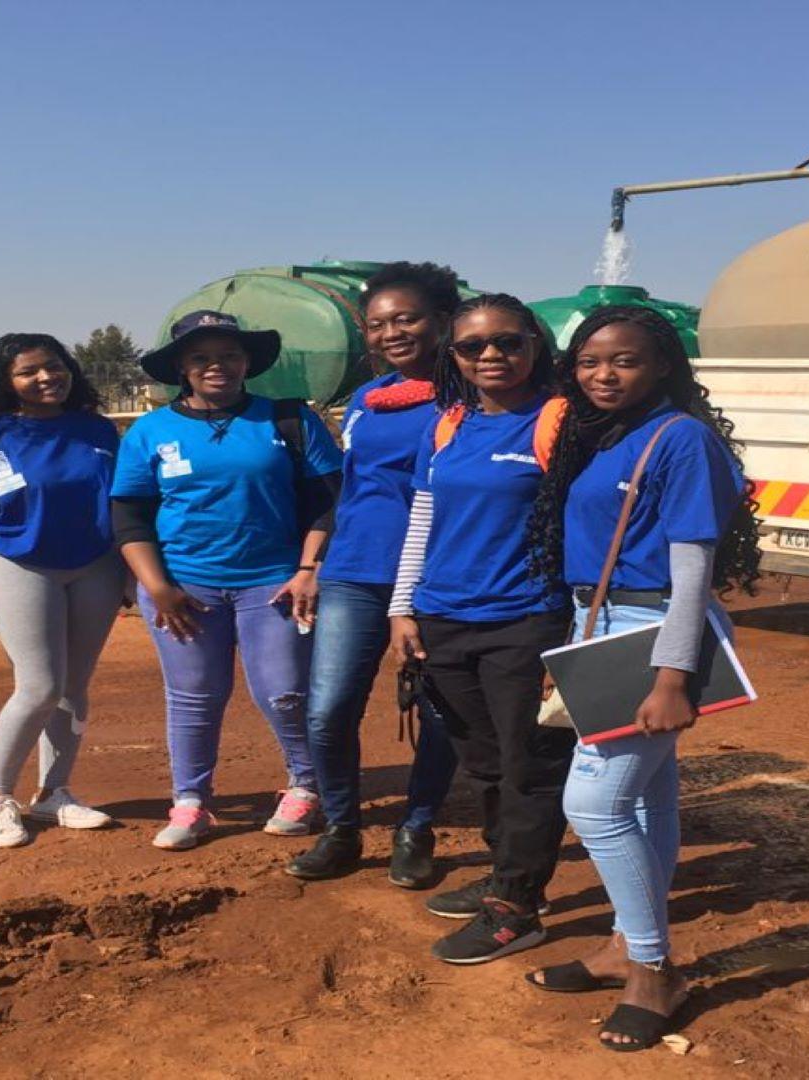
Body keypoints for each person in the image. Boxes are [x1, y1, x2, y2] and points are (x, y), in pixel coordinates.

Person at [522, 306, 760, 1052]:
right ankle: (626, 946)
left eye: (623, 360)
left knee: (593, 803)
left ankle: (654, 970)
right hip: (603, 623)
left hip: (651, 630)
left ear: (662, 364)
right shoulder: (604, 433)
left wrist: (672, 675)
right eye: (590, 361)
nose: (603, 374)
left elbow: (692, 569)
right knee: (649, 798)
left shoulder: (680, 438)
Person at [111, 310, 344, 851]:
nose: (216, 366)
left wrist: (308, 569)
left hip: (275, 582)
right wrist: (159, 586)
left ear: (247, 362)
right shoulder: (151, 432)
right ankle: (190, 802)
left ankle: (305, 787)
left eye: (229, 355)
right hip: (183, 587)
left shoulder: (287, 420)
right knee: (194, 695)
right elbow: (130, 515)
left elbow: (329, 502)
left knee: (284, 692)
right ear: (181, 369)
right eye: (200, 358)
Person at [388, 293, 573, 964]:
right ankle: (508, 878)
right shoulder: (448, 426)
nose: (492, 355)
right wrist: (401, 609)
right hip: (444, 618)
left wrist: (574, 630)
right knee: (485, 761)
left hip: (525, 619)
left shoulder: (557, 421)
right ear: (454, 356)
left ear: (534, 346)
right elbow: (422, 520)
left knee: (532, 764)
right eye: (473, 346)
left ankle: (517, 905)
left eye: (508, 342)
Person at [286, 262, 463, 887]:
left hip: (440, 574)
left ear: (442, 321)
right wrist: (315, 562)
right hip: (355, 570)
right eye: (379, 324)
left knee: (441, 711)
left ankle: (416, 827)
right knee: (329, 708)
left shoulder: (470, 393)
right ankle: (342, 828)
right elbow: (353, 488)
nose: (392, 332)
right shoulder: (365, 399)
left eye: (407, 319)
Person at [0, 333, 127, 849]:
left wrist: (129, 573)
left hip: (96, 569)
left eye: (56, 366)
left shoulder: (98, 431)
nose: (47, 377)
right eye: (30, 372)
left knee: (74, 687)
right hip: (23, 566)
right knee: (39, 686)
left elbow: (124, 504)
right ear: (6, 382)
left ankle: (54, 793)